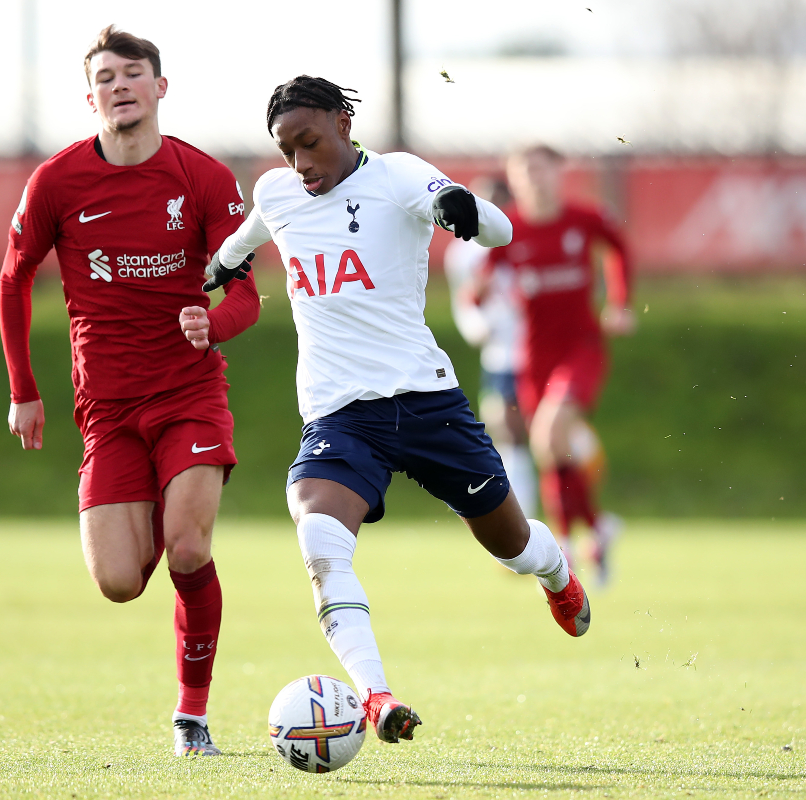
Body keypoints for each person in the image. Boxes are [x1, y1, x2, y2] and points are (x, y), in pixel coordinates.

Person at [187, 76, 591, 747]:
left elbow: (498, 228)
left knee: (512, 545)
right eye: (287, 150)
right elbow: (246, 238)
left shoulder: (400, 177)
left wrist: (465, 207)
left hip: (427, 402)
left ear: (345, 123)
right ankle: (375, 696)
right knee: (318, 538)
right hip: (340, 416)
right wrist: (219, 269)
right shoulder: (279, 192)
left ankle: (557, 574)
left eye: (310, 142)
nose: (301, 163)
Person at [0, 25, 261, 757]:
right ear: (91, 98)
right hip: (107, 411)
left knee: (187, 546)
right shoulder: (56, 181)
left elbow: (247, 294)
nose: (119, 85)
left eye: (132, 73)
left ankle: (191, 718)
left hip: (189, 395)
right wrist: (26, 389)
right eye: (106, 78)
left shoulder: (202, 178)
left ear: (159, 87)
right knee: (118, 581)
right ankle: (153, 531)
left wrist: (213, 323)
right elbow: (13, 278)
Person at [468, 144, 634, 583]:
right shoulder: (510, 230)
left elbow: (619, 248)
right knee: (549, 450)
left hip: (581, 349)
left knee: (547, 434)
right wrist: (479, 296)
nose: (534, 178)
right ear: (514, 179)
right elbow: (478, 284)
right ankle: (595, 531)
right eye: (524, 171)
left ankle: (563, 547)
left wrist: (620, 303)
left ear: (559, 171)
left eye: (541, 168)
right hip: (532, 358)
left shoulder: (585, 219)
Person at [443, 176, 537, 515]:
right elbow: (464, 300)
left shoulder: (525, 238)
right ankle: (524, 515)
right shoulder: (463, 252)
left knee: (547, 432)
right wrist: (476, 326)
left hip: (537, 345)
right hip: (500, 351)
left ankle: (579, 506)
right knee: (504, 427)